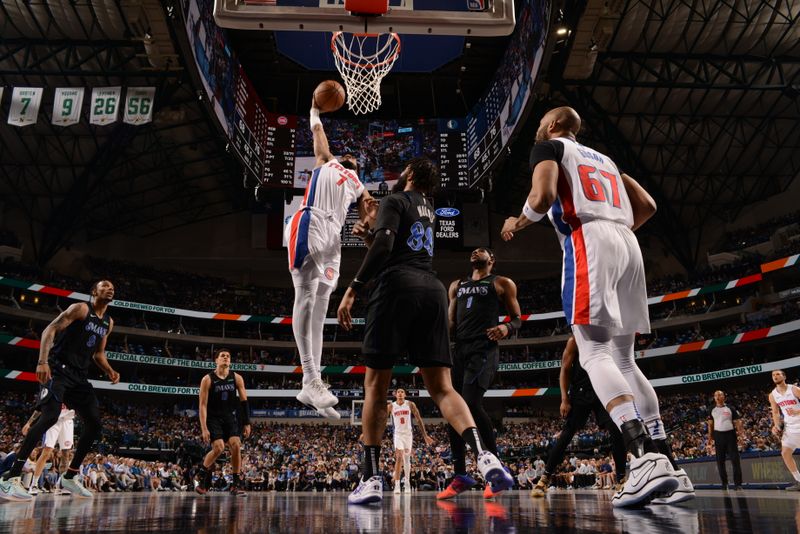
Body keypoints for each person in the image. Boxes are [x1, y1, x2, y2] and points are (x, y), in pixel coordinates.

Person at [500, 106, 686, 507]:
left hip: (590, 240)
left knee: (593, 352)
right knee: (624, 360)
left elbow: (543, 194)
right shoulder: (606, 160)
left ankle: (642, 458)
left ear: (552, 126)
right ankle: (669, 463)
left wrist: (519, 220)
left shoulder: (549, 147)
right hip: (627, 241)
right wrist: (614, 226)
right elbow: (648, 206)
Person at [338, 157, 513, 505]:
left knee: (375, 384)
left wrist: (354, 287)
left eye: (403, 169)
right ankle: (485, 456)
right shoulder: (428, 210)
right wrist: (371, 234)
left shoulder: (395, 200)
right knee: (443, 388)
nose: (399, 172)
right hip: (431, 289)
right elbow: (395, 245)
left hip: (396, 288)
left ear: (412, 175)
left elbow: (388, 249)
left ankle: (372, 477)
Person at [286, 98, 377, 419]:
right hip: (310, 221)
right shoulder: (327, 163)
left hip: (333, 237)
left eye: (353, 157)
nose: (350, 156)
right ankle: (309, 377)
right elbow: (320, 139)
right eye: (347, 154)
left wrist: (368, 222)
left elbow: (370, 206)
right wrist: (313, 112)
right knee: (306, 296)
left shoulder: (357, 183)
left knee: (322, 306)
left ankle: (314, 385)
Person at [0, 280, 119, 502]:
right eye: (105, 286)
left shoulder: (108, 322)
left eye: (112, 287)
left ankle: (70, 476)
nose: (110, 289)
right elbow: (50, 329)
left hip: (79, 377)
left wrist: (110, 371)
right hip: (58, 370)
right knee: (49, 417)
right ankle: (10, 477)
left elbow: (98, 354)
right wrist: (42, 361)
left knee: (94, 424)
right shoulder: (81, 309)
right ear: (94, 292)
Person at [438, 248, 522, 500]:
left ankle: (496, 469)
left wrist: (506, 327)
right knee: (452, 411)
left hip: (484, 349)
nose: (475, 251)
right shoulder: (456, 285)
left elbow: (517, 318)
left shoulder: (501, 283)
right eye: (473, 251)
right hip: (459, 350)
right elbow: (451, 322)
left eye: (482, 250)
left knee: (472, 404)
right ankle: (461, 475)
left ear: (491, 260)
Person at [531, 336, 631, 498]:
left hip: (603, 388)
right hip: (580, 391)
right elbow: (564, 369)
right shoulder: (575, 340)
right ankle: (544, 479)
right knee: (566, 435)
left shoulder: (608, 336)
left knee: (616, 429)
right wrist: (564, 399)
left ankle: (621, 479)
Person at [196, 349, 251, 497]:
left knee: (236, 445)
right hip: (213, 418)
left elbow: (244, 401)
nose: (226, 357)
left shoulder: (237, 378)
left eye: (228, 356)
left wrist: (247, 422)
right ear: (216, 360)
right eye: (223, 356)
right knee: (219, 448)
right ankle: (202, 476)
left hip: (230, 417)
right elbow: (202, 405)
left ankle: (236, 484)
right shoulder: (207, 379)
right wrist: (204, 428)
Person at [21, 403, 75, 495]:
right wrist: (29, 423)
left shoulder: (76, 390)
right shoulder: (54, 389)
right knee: (47, 452)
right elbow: (40, 406)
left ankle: (61, 485)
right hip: (53, 420)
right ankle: (34, 484)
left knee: (66, 453)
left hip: (68, 421)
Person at [388, 388, 433, 493]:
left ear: (405, 394)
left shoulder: (410, 404)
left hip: (408, 435)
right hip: (398, 434)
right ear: (395, 395)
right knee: (399, 457)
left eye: (402, 392)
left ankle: (407, 482)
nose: (400, 393)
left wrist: (425, 436)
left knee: (407, 459)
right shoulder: (391, 406)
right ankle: (397, 485)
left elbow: (418, 419)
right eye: (398, 392)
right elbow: (381, 421)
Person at [768, 369, 800, 491]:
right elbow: (775, 412)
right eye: (773, 375)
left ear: (784, 376)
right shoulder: (772, 395)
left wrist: (797, 411)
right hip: (790, 428)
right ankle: (799, 480)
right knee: (785, 453)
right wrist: (776, 426)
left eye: (777, 374)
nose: (775, 376)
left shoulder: (794, 389)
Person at [707, 390, 743, 490]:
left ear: (724, 396)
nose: (717, 397)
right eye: (715, 395)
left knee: (735, 460)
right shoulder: (711, 409)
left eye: (719, 395)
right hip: (718, 436)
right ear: (714, 398)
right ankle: (724, 483)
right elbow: (710, 425)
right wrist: (710, 438)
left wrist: (741, 436)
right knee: (720, 461)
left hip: (730, 435)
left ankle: (738, 484)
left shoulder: (730, 408)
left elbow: (737, 422)